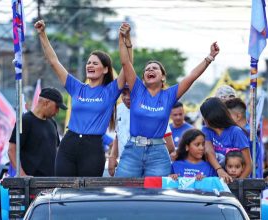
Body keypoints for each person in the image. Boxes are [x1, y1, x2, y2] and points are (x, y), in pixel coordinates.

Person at [117, 25, 220, 177]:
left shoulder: (169, 95)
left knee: (157, 197)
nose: (150, 70)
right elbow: (126, 63)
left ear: (163, 77)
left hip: (158, 154)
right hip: (133, 150)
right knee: (124, 194)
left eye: (155, 68)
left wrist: (210, 57)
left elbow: (191, 76)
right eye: (147, 69)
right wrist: (123, 38)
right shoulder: (137, 90)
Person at [34, 20, 132, 176]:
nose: (90, 65)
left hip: (92, 148)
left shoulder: (110, 91)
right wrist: (42, 34)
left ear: (105, 69)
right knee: (63, 191)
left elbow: (127, 66)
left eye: (95, 63)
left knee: (86, 194)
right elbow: (54, 62)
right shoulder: (77, 87)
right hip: (69, 144)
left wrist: (126, 41)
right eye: (88, 63)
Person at [108, 85, 176, 176]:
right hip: (126, 164)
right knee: (123, 189)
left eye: (131, 93)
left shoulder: (153, 108)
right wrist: (112, 156)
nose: (127, 97)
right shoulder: (118, 110)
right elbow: (118, 135)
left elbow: (170, 146)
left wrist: (146, 160)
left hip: (152, 166)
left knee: (152, 190)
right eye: (124, 93)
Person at [8, 87, 66, 176]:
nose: (57, 112)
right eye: (57, 107)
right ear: (47, 103)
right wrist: (22, 175)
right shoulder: (25, 121)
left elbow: (57, 150)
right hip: (32, 183)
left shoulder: (52, 122)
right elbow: (12, 150)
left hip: (52, 181)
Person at [200, 97, 252, 182]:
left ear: (211, 116)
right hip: (216, 181)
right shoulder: (206, 130)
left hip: (236, 182)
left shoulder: (236, 132)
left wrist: (237, 184)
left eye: (204, 116)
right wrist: (219, 170)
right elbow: (209, 152)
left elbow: (248, 165)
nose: (203, 119)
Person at [225, 97, 263, 178]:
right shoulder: (246, 131)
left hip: (247, 181)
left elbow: (249, 163)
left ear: (238, 116)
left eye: (227, 116)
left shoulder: (244, 133)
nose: (225, 119)